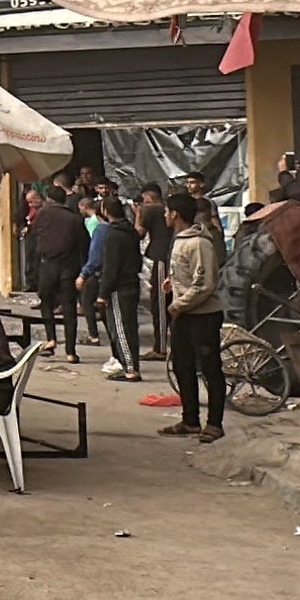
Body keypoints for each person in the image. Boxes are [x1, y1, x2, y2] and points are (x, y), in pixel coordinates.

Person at [157, 193, 225, 438]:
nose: (165, 215)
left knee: (210, 369)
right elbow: (186, 274)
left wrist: (180, 303)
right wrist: (172, 283)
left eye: (167, 211)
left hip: (202, 315)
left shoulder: (199, 243)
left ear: (175, 214)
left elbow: (206, 283)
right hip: (183, 315)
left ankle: (214, 424)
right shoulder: (180, 240)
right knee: (182, 367)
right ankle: (190, 420)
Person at [83, 197, 145, 382]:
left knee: (121, 329)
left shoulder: (112, 234)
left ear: (106, 211)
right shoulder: (130, 232)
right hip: (131, 282)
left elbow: (111, 266)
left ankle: (130, 369)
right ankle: (127, 364)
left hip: (119, 287)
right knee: (128, 327)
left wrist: (103, 293)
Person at [27, 187, 90, 356]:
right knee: (69, 307)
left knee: (46, 303)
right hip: (69, 268)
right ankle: (70, 352)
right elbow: (85, 245)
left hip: (47, 266)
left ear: (49, 199)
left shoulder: (42, 216)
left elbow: (33, 243)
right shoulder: (75, 219)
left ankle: (51, 339)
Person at [136, 185, 173, 358]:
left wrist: (138, 214)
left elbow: (139, 233)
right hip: (171, 256)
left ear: (148, 198)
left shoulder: (150, 211)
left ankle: (161, 348)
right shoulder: (167, 209)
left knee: (159, 303)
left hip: (160, 257)